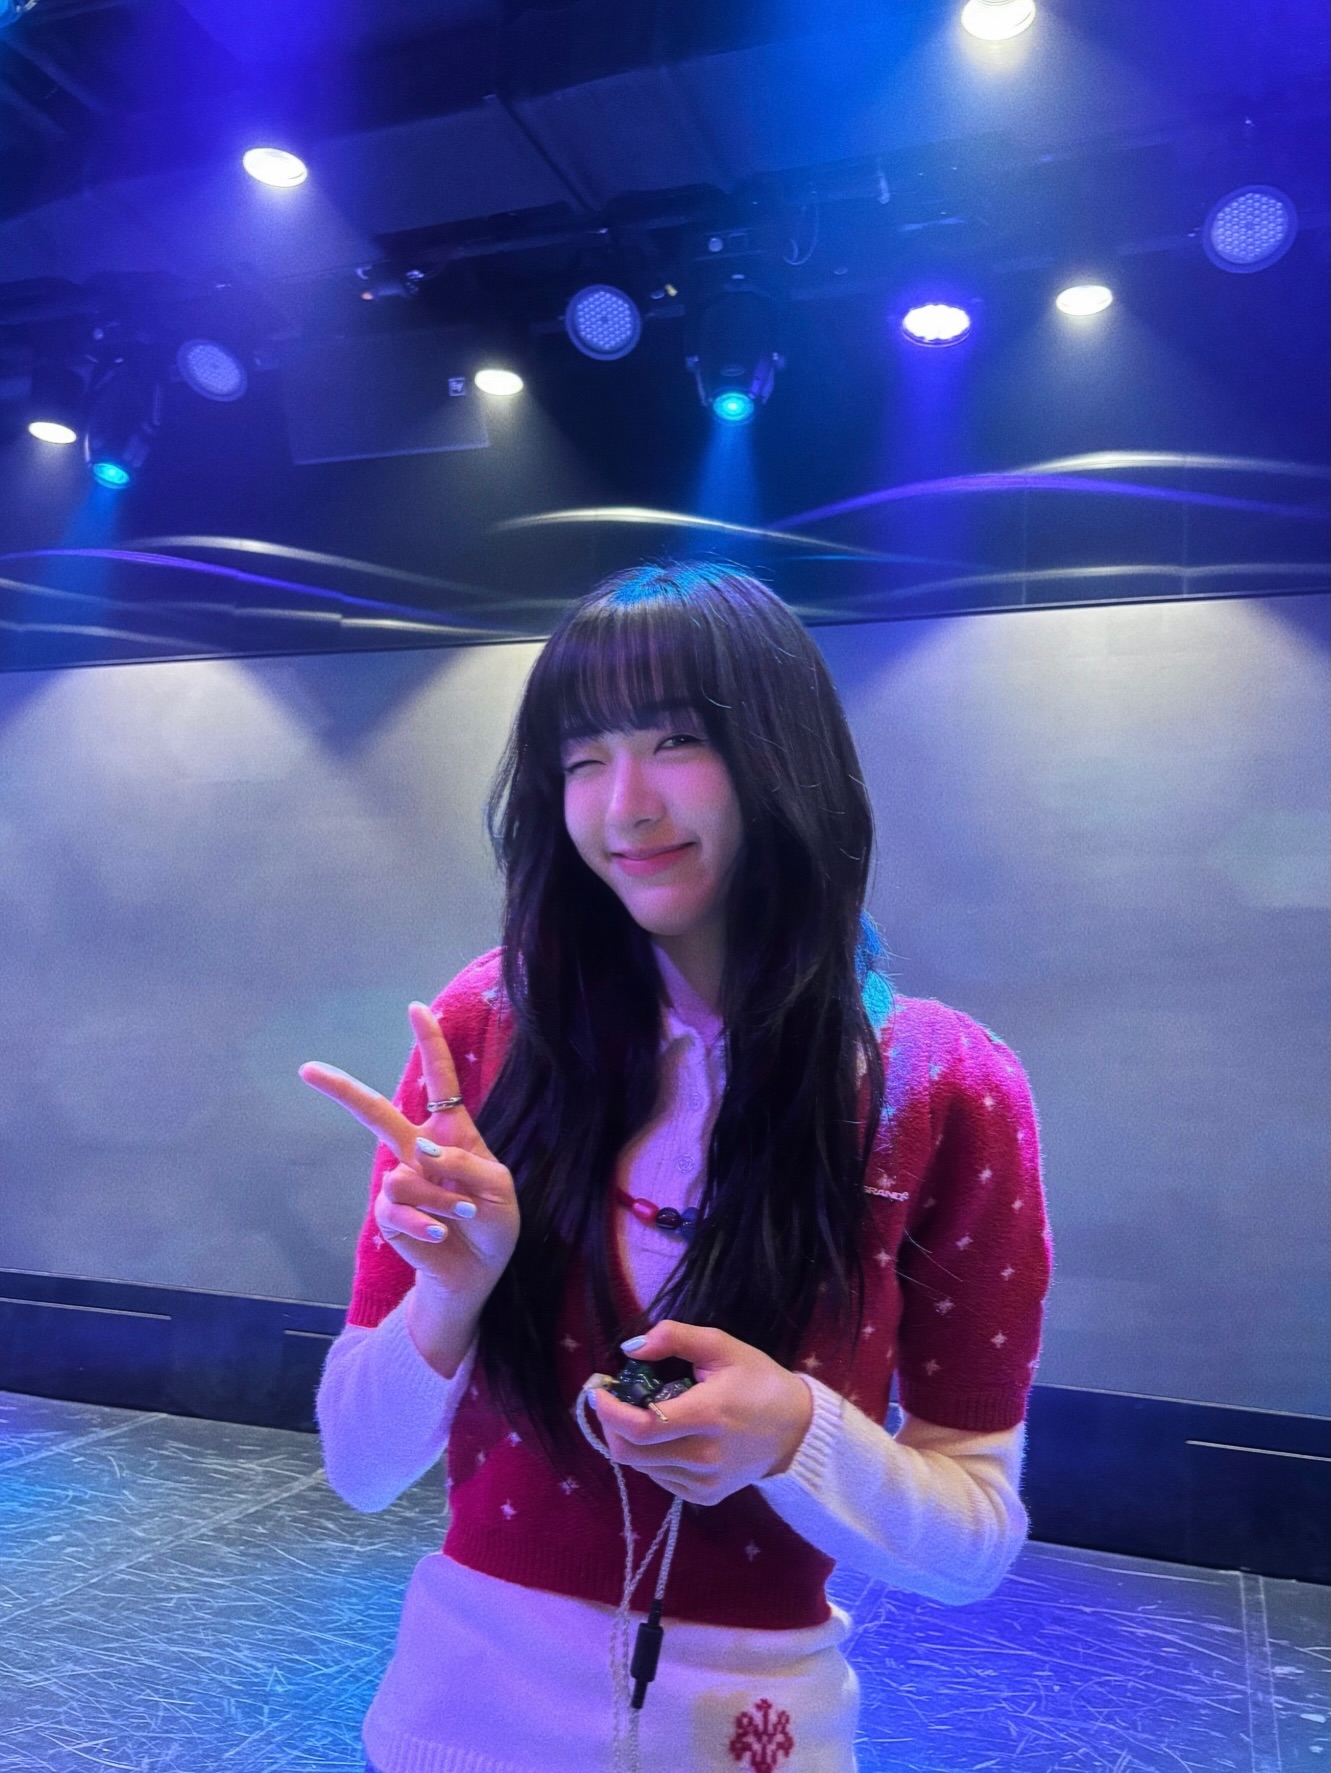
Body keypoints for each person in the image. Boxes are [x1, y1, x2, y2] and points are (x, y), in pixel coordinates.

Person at [305, 561, 1052, 1773]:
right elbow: (358, 1464)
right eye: (582, 758)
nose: (623, 806)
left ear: (783, 758)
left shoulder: (943, 1087)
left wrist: (794, 1432)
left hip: (754, 1732)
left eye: (675, 742)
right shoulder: (486, 1034)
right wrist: (450, 1294)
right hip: (458, 1720)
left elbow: (971, 1542)